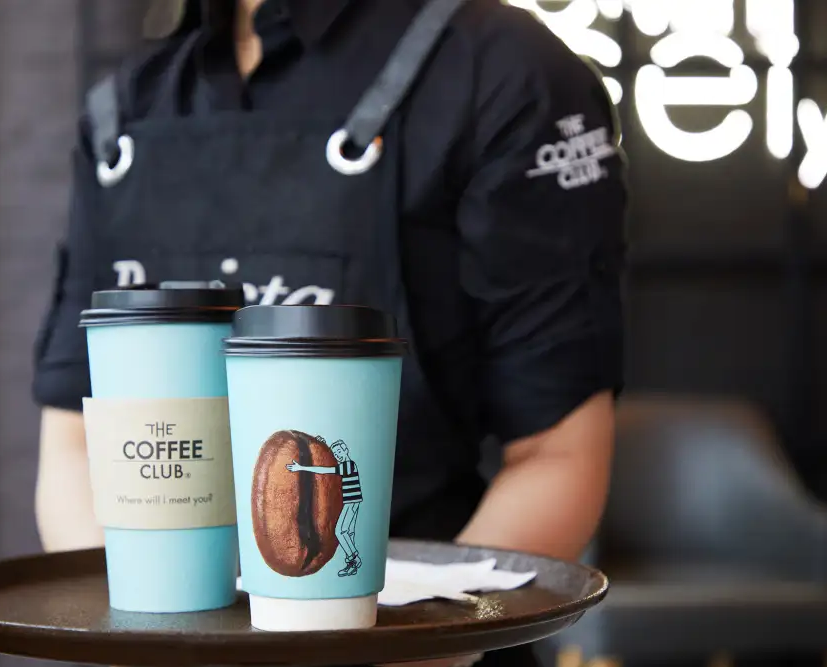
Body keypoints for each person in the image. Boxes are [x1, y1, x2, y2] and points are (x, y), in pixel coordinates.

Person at [32, 0, 626, 665]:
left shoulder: (504, 70)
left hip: (421, 641)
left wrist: (415, 652)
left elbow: (557, 455)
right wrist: (145, 642)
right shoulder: (125, 109)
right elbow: (76, 446)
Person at [288, 438, 364, 576]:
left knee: (340, 531)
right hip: (352, 502)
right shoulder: (345, 465)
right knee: (348, 533)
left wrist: (302, 468)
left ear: (346, 450)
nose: (338, 455)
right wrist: (323, 445)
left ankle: (354, 558)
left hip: (352, 502)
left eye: (339, 451)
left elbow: (326, 470)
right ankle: (352, 562)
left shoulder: (349, 465)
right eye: (336, 453)